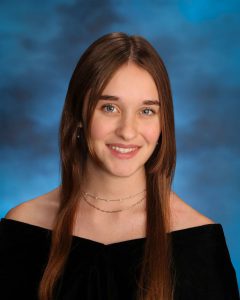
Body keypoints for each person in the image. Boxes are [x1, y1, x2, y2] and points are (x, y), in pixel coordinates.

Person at [0, 32, 239, 300]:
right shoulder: (23, 227)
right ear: (79, 114)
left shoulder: (198, 243)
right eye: (109, 108)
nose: (128, 131)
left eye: (146, 111)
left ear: (163, 124)